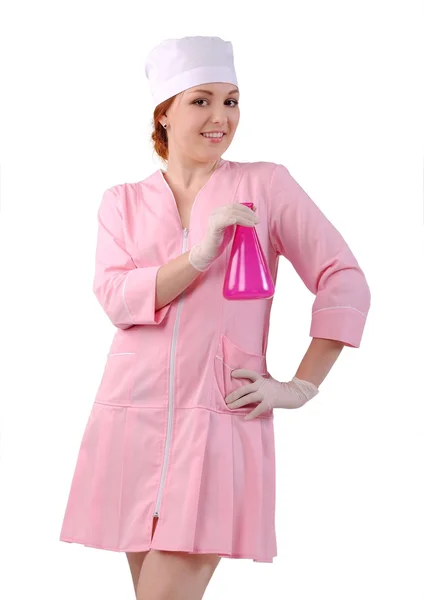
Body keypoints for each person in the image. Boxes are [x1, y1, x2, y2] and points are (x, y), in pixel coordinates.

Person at [59, 36, 371, 599]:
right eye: (201, 100)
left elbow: (342, 276)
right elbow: (114, 297)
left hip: (217, 418)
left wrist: (301, 386)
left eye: (231, 101)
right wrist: (198, 257)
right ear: (165, 113)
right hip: (130, 419)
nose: (220, 117)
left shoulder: (265, 184)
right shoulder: (121, 202)